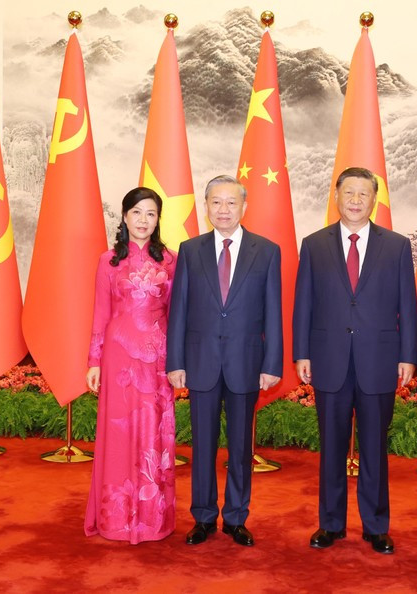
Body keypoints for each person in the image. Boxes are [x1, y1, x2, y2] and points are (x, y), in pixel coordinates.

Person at [293, 167, 417, 555]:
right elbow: (304, 304)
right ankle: (330, 524)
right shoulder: (314, 244)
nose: (355, 200)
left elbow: (407, 307)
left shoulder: (396, 246)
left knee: (374, 448)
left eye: (364, 194)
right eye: (349, 192)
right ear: (336, 196)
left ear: (374, 200)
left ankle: (376, 525)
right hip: (328, 360)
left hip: (378, 360)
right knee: (331, 447)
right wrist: (301, 352)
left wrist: (408, 356)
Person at [167, 175, 282, 548]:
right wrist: (175, 361)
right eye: (216, 202)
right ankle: (202, 516)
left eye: (231, 203)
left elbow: (273, 312)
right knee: (202, 446)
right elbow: (179, 311)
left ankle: (235, 517)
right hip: (200, 363)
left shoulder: (266, 251)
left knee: (240, 449)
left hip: (245, 363)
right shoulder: (190, 250)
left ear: (244, 207)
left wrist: (272, 363)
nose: (223, 210)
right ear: (206, 207)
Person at [84, 187, 177, 544]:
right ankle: (117, 519)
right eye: (137, 212)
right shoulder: (108, 261)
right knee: (119, 434)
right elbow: (100, 314)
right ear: (124, 217)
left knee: (155, 433)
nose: (143, 220)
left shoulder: (170, 260)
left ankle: (154, 520)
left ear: (158, 219)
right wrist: (94, 360)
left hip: (158, 359)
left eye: (151, 214)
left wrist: (177, 360)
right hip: (118, 358)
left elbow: (175, 314)